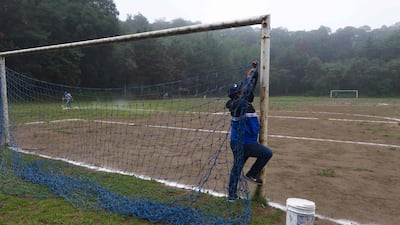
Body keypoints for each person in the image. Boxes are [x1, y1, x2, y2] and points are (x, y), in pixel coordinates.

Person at [226, 61, 273, 202]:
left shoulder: (244, 101)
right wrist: (248, 79)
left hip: (242, 142)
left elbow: (250, 88)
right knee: (267, 153)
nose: (243, 90)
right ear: (238, 93)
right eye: (240, 90)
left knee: (237, 168)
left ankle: (231, 196)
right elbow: (247, 91)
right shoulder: (237, 105)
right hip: (244, 143)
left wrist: (254, 70)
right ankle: (252, 174)